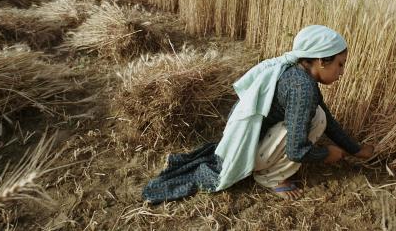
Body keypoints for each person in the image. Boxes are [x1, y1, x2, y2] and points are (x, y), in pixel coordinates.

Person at [142, 25, 374, 204]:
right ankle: (270, 178)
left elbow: (329, 121)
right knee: (313, 122)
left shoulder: (299, 74)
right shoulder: (302, 88)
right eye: (340, 65)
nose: (342, 72)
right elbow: (297, 150)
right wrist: (327, 154)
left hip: (250, 138)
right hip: (248, 149)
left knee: (319, 117)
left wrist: (354, 149)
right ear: (322, 61)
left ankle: (265, 163)